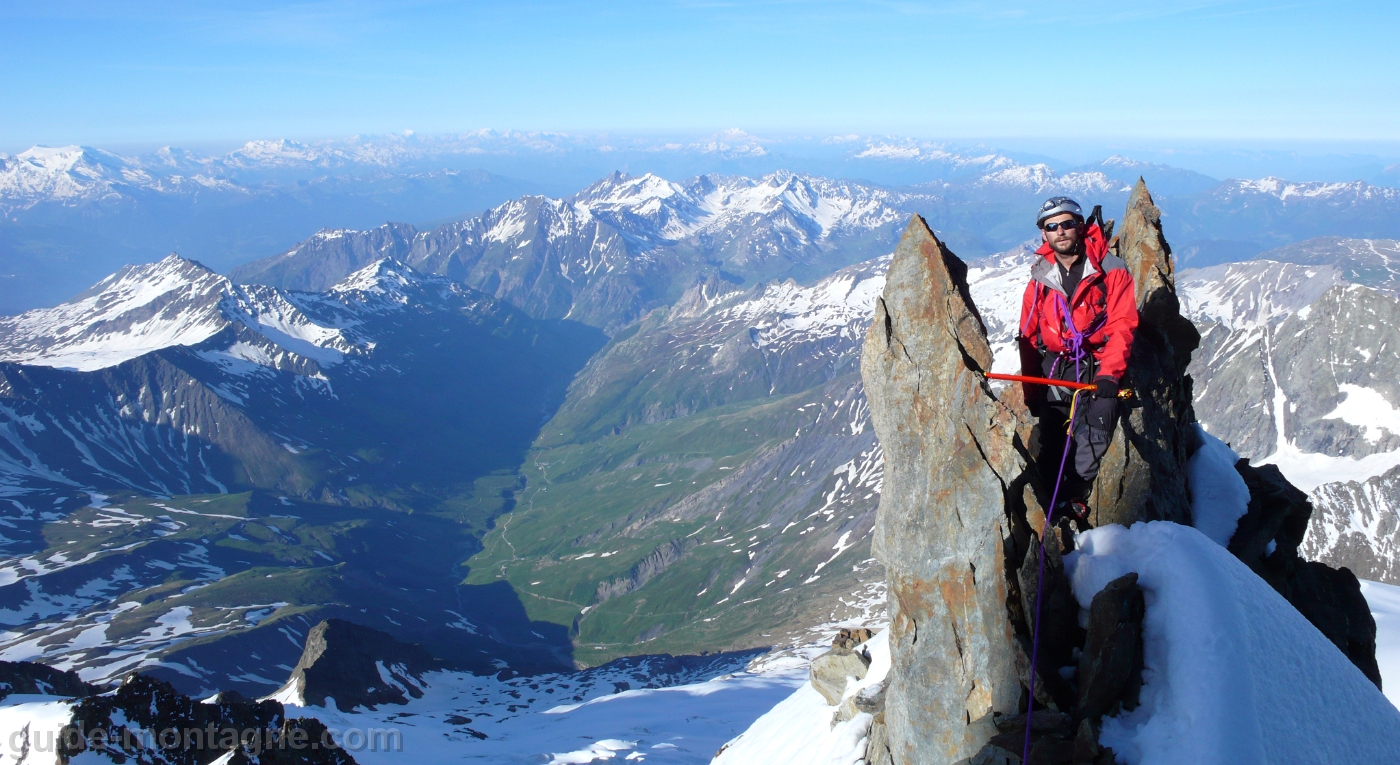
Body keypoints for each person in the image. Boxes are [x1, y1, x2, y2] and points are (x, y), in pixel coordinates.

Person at [1017, 196, 1139, 519]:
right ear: (1044, 234)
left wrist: (1110, 375)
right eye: (1051, 226)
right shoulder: (1040, 278)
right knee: (1053, 429)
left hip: (1098, 361)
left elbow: (1123, 325)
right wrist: (1032, 393)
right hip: (1058, 363)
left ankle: (1076, 490)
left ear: (1080, 226)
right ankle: (1048, 498)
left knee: (1098, 421)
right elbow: (1028, 336)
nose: (1060, 231)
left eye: (1067, 223)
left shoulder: (1111, 270)